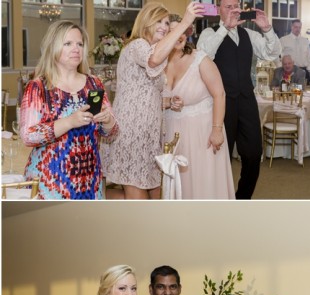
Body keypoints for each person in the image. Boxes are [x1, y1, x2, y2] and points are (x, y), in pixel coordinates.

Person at [102, 2, 202, 200]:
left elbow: (145, 94)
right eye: (159, 21)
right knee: (141, 200)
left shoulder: (153, 50)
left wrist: (168, 102)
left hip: (149, 136)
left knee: (156, 195)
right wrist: (185, 22)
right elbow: (153, 60)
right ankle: (91, 197)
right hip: (132, 133)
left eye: (167, 23)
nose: (164, 26)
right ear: (146, 22)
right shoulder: (138, 45)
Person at [19, 20, 118, 199]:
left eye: (80, 44)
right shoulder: (38, 87)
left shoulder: (94, 83)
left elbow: (111, 133)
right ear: (53, 47)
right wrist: (69, 122)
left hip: (89, 183)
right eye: (68, 43)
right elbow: (28, 135)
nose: (76, 49)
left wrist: (108, 120)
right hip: (49, 183)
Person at [197, 0, 281, 199]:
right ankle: (218, 198)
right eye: (228, 6)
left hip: (246, 100)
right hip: (220, 102)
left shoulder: (248, 34)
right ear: (219, 9)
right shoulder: (209, 33)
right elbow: (203, 56)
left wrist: (267, 29)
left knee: (253, 153)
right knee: (220, 155)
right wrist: (225, 29)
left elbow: (272, 53)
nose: (234, 10)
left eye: (236, 6)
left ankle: (242, 198)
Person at [163, 16, 234, 200]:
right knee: (180, 182)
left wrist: (217, 130)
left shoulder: (200, 59)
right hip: (172, 133)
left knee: (204, 181)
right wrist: (167, 103)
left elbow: (219, 94)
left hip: (202, 132)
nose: (178, 36)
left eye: (181, 31)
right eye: (172, 31)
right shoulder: (158, 64)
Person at [279, 19, 310, 85]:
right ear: (291, 27)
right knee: (288, 89)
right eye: (296, 27)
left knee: (301, 90)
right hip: (289, 70)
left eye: (299, 27)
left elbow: (309, 56)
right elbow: (279, 55)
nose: (298, 29)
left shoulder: (305, 41)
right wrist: (281, 68)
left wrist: (309, 69)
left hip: (302, 70)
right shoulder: (283, 40)